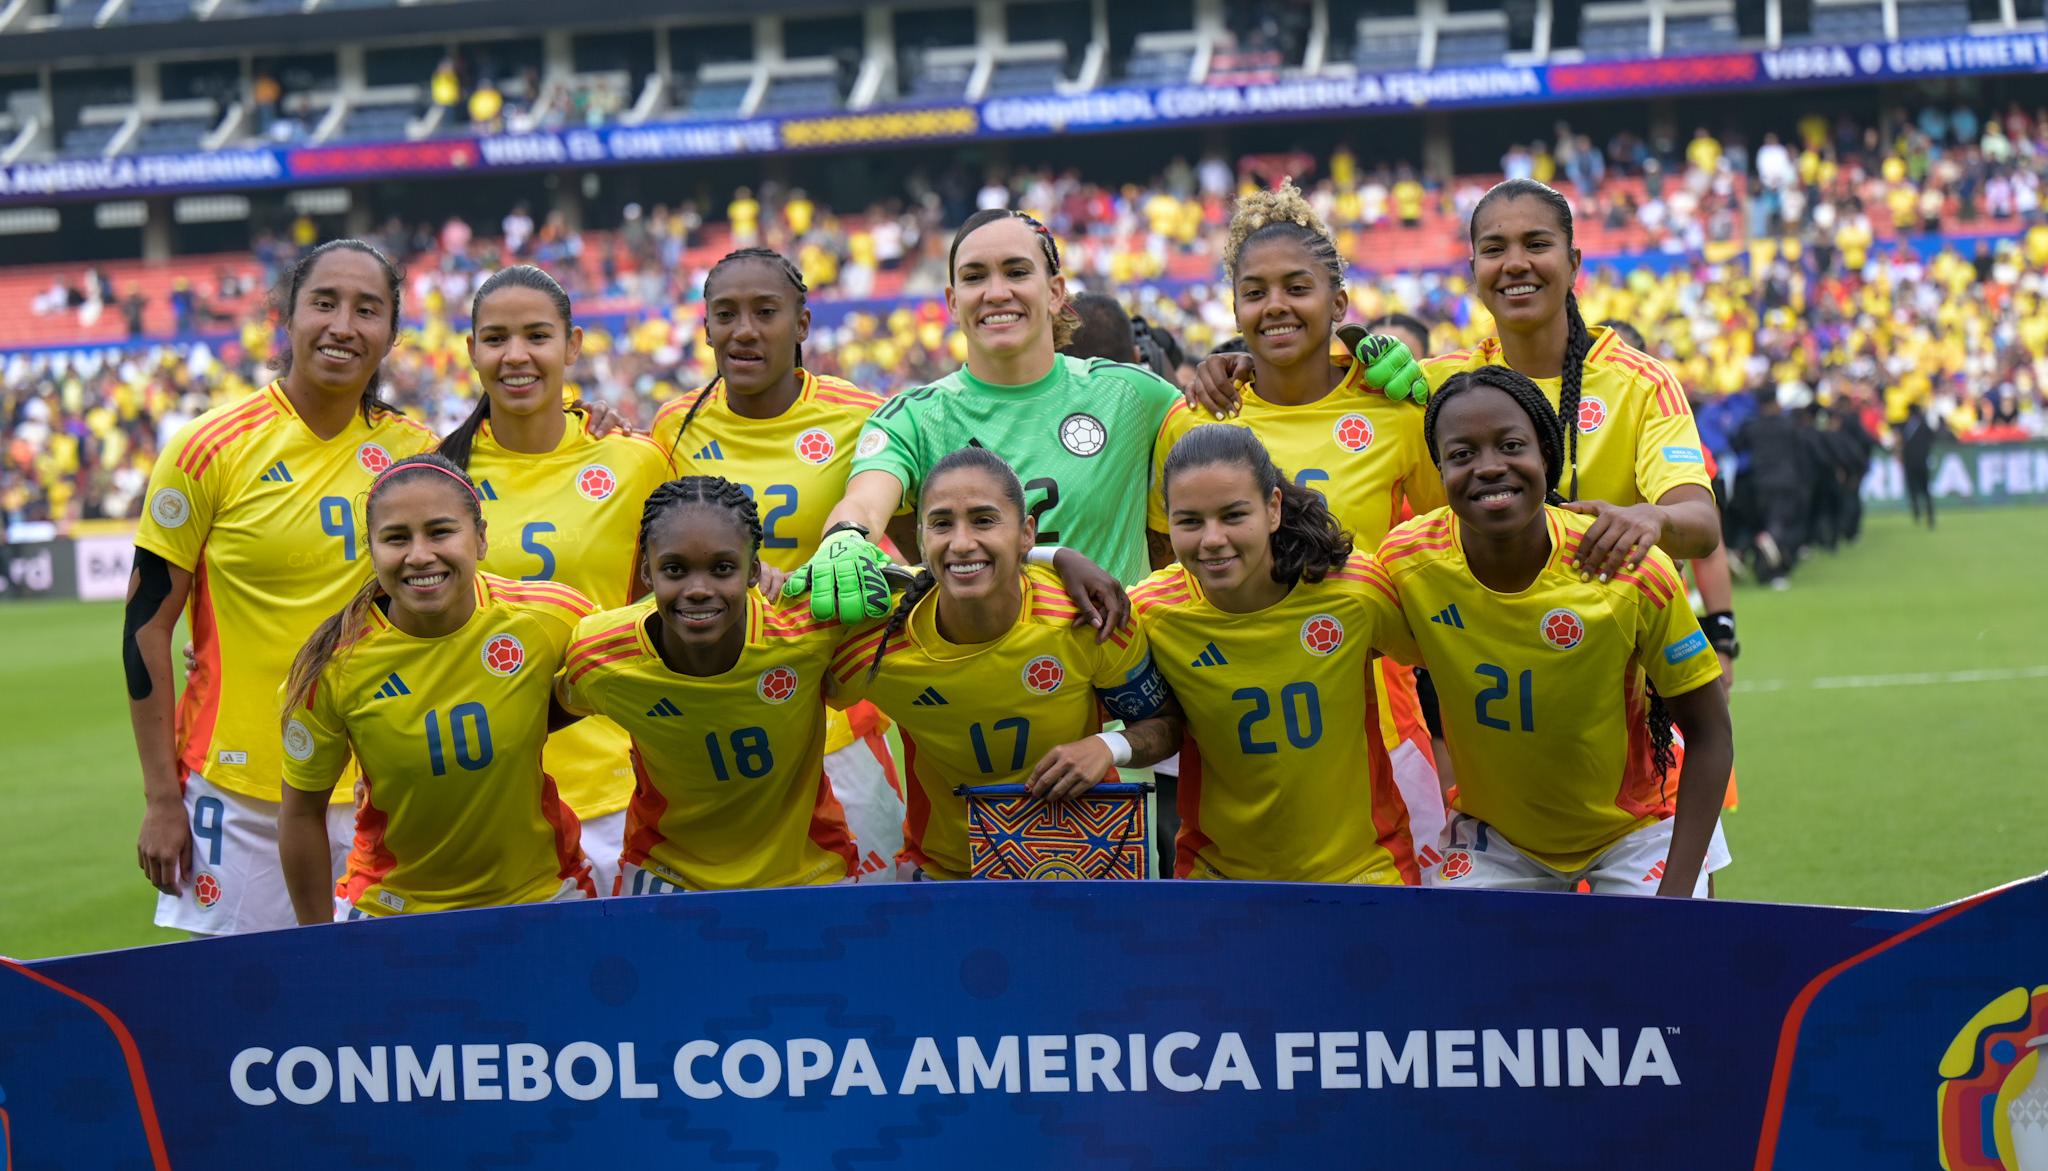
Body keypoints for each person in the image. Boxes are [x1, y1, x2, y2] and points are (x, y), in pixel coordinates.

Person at [125, 239, 437, 935]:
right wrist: (161, 798)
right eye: (324, 303)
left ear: (392, 333)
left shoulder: (419, 454)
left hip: (386, 785)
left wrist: (589, 416)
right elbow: (146, 626)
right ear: (286, 314)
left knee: (390, 995)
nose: (343, 326)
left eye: (368, 309)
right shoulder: (208, 448)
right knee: (241, 997)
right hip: (238, 792)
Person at [1151, 181, 1446, 853]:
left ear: (1338, 303)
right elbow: (1170, 567)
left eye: (1297, 287)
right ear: (1234, 307)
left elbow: (1448, 545)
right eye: (1254, 291)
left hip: (1384, 722)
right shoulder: (1194, 421)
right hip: (1237, 723)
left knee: (1404, 905)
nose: (1276, 305)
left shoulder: (1398, 411)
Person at [1374, 367, 1733, 896]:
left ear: (1546, 454)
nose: (1488, 467)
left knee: (1656, 952)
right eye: (1462, 454)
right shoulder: (1406, 562)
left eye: (1511, 445)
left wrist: (1674, 898)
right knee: (1451, 948)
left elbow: (1711, 734)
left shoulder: (1627, 569)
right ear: (1440, 468)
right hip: (1498, 838)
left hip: (1636, 832)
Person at [787, 209, 1178, 628]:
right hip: (973, 665)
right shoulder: (912, 418)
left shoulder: (1134, 395)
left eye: (1016, 272)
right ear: (953, 303)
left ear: (1055, 292)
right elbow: (865, 502)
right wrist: (846, 535)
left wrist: (1222, 374)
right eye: (975, 277)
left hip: (1111, 661)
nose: (996, 292)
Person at [650, 247, 906, 880]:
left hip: (837, 710)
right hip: (726, 711)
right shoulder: (672, 428)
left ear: (802, 323)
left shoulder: (860, 415)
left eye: (766, 312)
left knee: (864, 898)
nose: (744, 331)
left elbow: (915, 547)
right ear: (705, 328)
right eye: (726, 314)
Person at [825, 448, 1184, 881]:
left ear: (1027, 532)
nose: (961, 542)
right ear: (921, 537)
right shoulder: (875, 638)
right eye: (942, 524)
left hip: (1086, 872)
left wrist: (1108, 747)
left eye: (983, 520)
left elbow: (1166, 726)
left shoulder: (1087, 616)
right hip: (948, 877)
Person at [436, 265, 674, 898]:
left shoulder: (635, 461)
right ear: (472, 350)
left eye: (537, 336)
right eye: (496, 339)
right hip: (480, 792)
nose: (516, 355)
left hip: (615, 788)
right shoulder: (438, 474)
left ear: (572, 346)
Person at [277, 454, 598, 922]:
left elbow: (635, 665)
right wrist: (316, 942)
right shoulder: (332, 667)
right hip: (391, 912)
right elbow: (301, 813)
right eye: (396, 538)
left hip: (546, 895)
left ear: (481, 538)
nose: (419, 555)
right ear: (371, 550)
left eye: (440, 532)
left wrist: (543, 713)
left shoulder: (549, 616)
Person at [1131, 426, 1424, 883]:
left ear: (1272, 509)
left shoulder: (1354, 591)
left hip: (1367, 869)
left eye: (1233, 515)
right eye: (1189, 521)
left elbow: (1448, 656)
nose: (1212, 538)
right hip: (1218, 877)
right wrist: (1055, 557)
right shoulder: (1152, 613)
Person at [556, 477, 858, 894]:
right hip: (665, 876)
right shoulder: (602, 654)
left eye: (722, 568)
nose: (698, 590)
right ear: (646, 573)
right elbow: (531, 720)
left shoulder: (809, 627)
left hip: (809, 869)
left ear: (754, 571)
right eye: (675, 569)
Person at [1897, 399, 1943, 529]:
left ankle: (1919, 513)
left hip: (1911, 463)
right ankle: (1929, 516)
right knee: (1925, 490)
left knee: (1915, 490)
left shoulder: (1906, 426)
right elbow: (1933, 437)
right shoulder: (1923, 425)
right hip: (1921, 462)